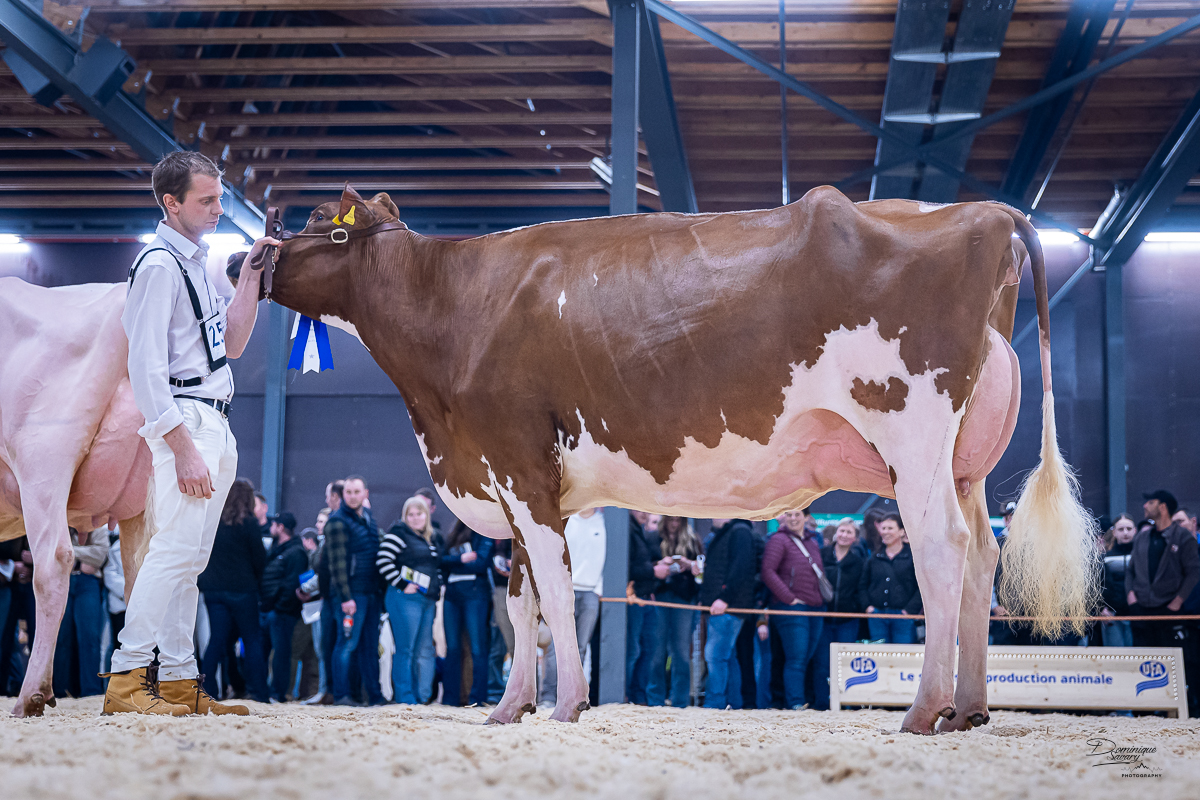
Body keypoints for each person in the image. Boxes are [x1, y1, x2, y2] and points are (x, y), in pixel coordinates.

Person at [104, 150, 277, 717]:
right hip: (185, 419)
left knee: (190, 558)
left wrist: (250, 278)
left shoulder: (196, 263)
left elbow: (232, 344)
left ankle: (179, 679)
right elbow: (144, 367)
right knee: (174, 550)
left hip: (214, 417)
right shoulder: (158, 265)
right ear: (170, 203)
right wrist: (180, 446)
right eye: (207, 200)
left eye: (219, 198)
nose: (219, 209)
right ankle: (128, 677)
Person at [197, 477, 269, 703]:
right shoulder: (249, 523)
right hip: (243, 590)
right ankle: (258, 693)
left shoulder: (213, 522)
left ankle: (208, 691)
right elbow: (259, 559)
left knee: (216, 641)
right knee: (252, 640)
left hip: (213, 590)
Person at [324, 475, 385, 706]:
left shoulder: (369, 519)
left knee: (370, 647)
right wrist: (345, 597)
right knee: (346, 644)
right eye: (348, 492)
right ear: (343, 495)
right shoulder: (337, 522)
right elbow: (336, 565)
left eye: (356, 492)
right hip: (351, 596)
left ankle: (375, 697)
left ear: (365, 494)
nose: (352, 496)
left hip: (371, 593)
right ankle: (341, 696)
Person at [377, 496, 442, 705]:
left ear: (427, 515)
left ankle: (421, 697)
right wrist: (402, 584)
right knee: (406, 649)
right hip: (404, 599)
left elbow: (436, 567)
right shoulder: (398, 534)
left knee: (424, 650)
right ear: (404, 517)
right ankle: (405, 697)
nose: (415, 518)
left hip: (427, 600)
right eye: (410, 514)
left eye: (419, 514)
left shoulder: (430, 538)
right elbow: (383, 560)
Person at [541, 508, 607, 706]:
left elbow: (609, 557)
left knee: (580, 648)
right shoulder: (567, 520)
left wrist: (599, 589)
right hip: (564, 591)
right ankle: (549, 696)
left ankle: (571, 696)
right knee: (556, 646)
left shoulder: (604, 523)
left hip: (591, 592)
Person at [760, 510, 825, 709]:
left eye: (797, 514)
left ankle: (797, 701)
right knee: (796, 659)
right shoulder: (778, 540)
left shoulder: (813, 541)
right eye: (789, 515)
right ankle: (795, 703)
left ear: (806, 517)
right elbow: (767, 571)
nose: (793, 518)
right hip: (791, 608)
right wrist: (789, 598)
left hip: (815, 608)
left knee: (804, 658)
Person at [1126, 490, 1200, 648]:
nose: (1145, 506)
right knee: (1142, 657)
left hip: (1169, 611)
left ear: (1163, 507)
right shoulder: (1142, 537)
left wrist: (1177, 602)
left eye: (1151, 502)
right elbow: (1130, 570)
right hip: (1141, 611)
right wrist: (1131, 598)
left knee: (1171, 657)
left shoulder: (1183, 537)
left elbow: (1193, 573)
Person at [700, 518, 756, 709]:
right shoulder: (733, 532)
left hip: (727, 605)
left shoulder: (739, 531)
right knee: (726, 657)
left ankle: (715, 703)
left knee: (715, 656)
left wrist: (725, 598)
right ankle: (732, 702)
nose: (712, 516)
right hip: (723, 604)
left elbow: (741, 567)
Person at [440, 520, 495, 706]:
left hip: (475, 595)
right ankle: (450, 700)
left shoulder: (485, 532)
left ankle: (477, 699)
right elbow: (441, 561)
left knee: (478, 648)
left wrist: (452, 562)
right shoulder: (454, 533)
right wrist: (461, 559)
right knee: (452, 649)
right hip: (451, 596)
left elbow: (480, 564)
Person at [647, 515, 700, 708]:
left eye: (678, 520)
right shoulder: (653, 538)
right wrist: (660, 564)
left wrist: (689, 564)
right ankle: (655, 699)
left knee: (681, 652)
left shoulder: (692, 540)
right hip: (659, 595)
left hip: (684, 598)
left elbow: (702, 569)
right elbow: (644, 564)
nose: (674, 524)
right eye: (671, 520)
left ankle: (680, 701)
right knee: (657, 651)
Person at [813, 518, 866, 709]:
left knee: (845, 663)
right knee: (821, 663)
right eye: (841, 531)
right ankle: (821, 703)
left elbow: (861, 588)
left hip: (848, 620)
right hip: (823, 617)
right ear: (836, 534)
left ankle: (845, 703)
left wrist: (857, 607)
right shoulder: (821, 555)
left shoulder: (858, 561)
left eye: (849, 532)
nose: (844, 535)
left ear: (855, 538)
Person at [52, 527, 108, 699]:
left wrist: (69, 554)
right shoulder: (60, 524)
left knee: (89, 637)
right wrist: (81, 560)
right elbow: (51, 553)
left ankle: (91, 691)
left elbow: (100, 554)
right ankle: (60, 691)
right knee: (61, 637)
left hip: (88, 582)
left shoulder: (98, 524)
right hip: (62, 580)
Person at [260, 512, 309, 702]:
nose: (270, 527)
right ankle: (262, 692)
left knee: (281, 654)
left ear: (281, 527)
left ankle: (277, 693)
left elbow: (291, 584)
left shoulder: (296, 552)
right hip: (267, 609)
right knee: (263, 653)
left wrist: (278, 607)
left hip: (282, 612)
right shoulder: (275, 550)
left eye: (274, 524)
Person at [858, 513, 922, 644]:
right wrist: (868, 607)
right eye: (883, 528)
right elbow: (862, 585)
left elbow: (921, 588)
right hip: (877, 616)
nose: (885, 532)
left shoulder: (913, 557)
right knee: (879, 654)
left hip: (903, 618)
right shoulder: (874, 558)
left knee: (902, 654)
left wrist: (909, 611)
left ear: (902, 531)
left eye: (890, 528)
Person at [626, 511, 664, 704]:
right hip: (633, 598)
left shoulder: (639, 530)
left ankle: (638, 696)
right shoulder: (627, 529)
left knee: (648, 648)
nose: (644, 512)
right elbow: (625, 567)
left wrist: (656, 565)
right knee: (633, 649)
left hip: (646, 597)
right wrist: (654, 570)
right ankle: (625, 694)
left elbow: (640, 562)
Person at [1100, 514, 1136, 647]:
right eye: (1121, 529)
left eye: (1129, 529)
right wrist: (1101, 608)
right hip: (1111, 615)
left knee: (1139, 655)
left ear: (1135, 530)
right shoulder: (1105, 557)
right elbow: (1099, 584)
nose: (1125, 533)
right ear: (1114, 532)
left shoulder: (1142, 555)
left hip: (1137, 613)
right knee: (1114, 655)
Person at [102, 527, 127, 672]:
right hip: (120, 606)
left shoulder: (150, 547)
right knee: (119, 647)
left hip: (144, 607)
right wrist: (129, 592)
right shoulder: (115, 548)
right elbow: (109, 574)